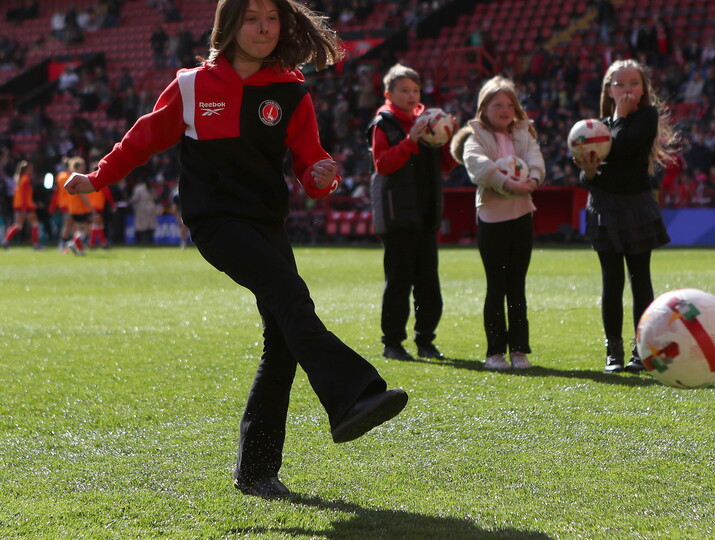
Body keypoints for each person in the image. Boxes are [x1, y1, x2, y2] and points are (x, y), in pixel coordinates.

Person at [64, 0, 408, 500]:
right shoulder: (191, 85)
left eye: (271, 18)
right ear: (229, 26)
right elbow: (142, 140)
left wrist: (321, 174)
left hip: (267, 223)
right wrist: (95, 178)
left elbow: (311, 165)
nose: (264, 27)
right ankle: (354, 394)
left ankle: (256, 472)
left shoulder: (291, 90)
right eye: (252, 17)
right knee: (293, 301)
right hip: (215, 223)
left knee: (283, 339)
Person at [571, 59, 678, 373]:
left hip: (636, 204)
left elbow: (624, 145)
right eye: (620, 84)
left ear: (644, 88)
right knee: (611, 282)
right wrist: (588, 172)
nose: (627, 89)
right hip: (605, 206)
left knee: (640, 279)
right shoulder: (598, 125)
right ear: (609, 89)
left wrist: (619, 117)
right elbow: (592, 174)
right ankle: (613, 352)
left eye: (634, 83)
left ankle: (641, 349)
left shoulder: (646, 116)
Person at [450, 76, 545, 370]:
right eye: (497, 104)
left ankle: (519, 350)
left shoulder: (524, 132)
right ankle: (495, 352)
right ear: (484, 109)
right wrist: (507, 183)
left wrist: (532, 180)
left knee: (517, 286)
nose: (504, 110)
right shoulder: (474, 135)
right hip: (492, 218)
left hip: (521, 216)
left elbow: (536, 160)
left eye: (508, 104)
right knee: (496, 286)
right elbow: (477, 166)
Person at [367, 63, 458, 362]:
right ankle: (392, 342)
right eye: (404, 90)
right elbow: (383, 164)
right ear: (389, 94)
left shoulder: (429, 121)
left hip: (427, 215)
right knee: (398, 282)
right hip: (397, 218)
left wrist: (451, 140)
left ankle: (426, 341)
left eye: (415, 90)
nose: (411, 95)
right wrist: (410, 141)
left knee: (429, 284)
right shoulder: (384, 124)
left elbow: (446, 166)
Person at [2, 160, 44, 250]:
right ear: (27, 169)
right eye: (30, 169)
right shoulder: (26, 179)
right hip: (26, 206)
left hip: (18, 205)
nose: (31, 170)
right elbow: (25, 195)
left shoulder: (18, 178)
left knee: (18, 225)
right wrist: (25, 208)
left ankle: (6, 240)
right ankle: (36, 244)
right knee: (34, 224)